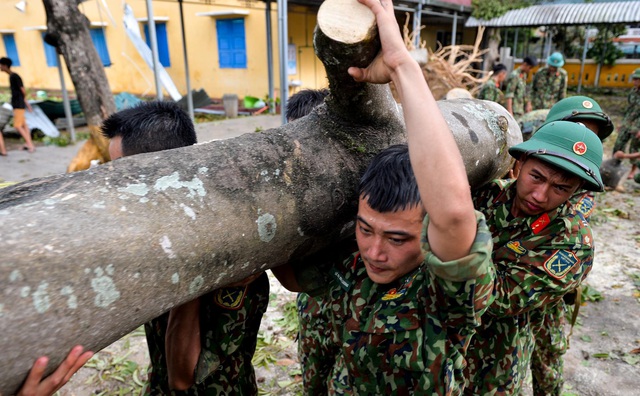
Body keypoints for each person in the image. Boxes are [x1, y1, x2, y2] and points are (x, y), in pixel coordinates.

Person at [281, 0, 496, 393]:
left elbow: (453, 212)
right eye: (366, 229)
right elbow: (295, 278)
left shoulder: (444, 296)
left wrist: (402, 66)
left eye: (397, 238)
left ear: (429, 233)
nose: (374, 251)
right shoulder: (354, 264)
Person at [18, 101, 269, 395]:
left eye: (121, 171)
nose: (112, 181)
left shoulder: (226, 249)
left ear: (159, 168)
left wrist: (194, 278)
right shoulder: (155, 227)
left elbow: (182, 378)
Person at [464, 120, 604, 395]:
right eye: (536, 177)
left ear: (576, 190)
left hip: (493, 361)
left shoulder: (573, 243)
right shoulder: (485, 195)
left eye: (560, 188)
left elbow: (499, 299)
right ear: (520, 163)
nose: (540, 195)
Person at [526, 95, 612, 396]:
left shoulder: (579, 197)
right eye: (575, 127)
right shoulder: (529, 158)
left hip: (544, 291)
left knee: (547, 359)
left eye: (591, 133)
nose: (583, 137)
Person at [0, 57, 35, 153]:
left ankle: (30, 145)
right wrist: (27, 104)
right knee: (24, 125)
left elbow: (22, 90)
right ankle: (28, 143)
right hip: (18, 103)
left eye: (1, 65)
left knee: (17, 126)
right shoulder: (12, 76)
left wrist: (24, 102)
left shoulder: (14, 76)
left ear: (5, 66)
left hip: (18, 104)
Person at [611, 68, 640, 179]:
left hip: (637, 126)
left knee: (634, 148)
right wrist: (622, 123)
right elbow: (628, 108)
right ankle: (615, 165)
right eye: (634, 79)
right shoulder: (633, 91)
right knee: (619, 144)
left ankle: (633, 171)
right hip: (628, 122)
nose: (635, 81)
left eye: (637, 79)